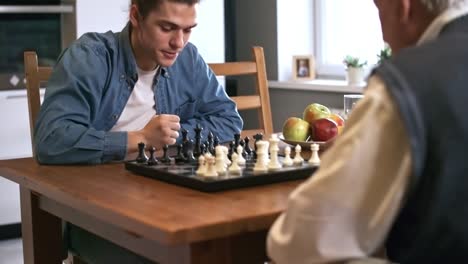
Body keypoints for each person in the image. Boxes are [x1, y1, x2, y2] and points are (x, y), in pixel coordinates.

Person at [267, 0, 468, 263]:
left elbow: (300, 242)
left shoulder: (404, 86)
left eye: (378, 9)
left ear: (403, 7)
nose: (383, 36)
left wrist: (340, 158)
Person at [34, 0, 243, 165]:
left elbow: (229, 121)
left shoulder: (189, 58)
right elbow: (51, 141)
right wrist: (141, 138)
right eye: (167, 27)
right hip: (95, 190)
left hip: (161, 185)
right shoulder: (89, 57)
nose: (178, 43)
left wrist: (170, 136)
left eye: (187, 30)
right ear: (136, 16)